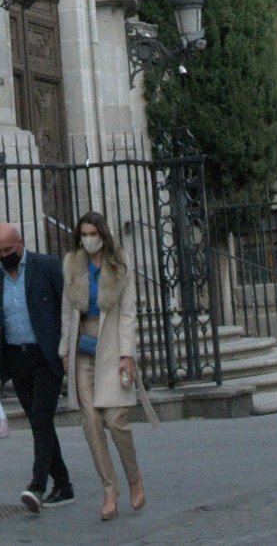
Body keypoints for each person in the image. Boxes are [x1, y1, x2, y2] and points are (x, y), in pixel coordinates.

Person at [59, 211, 157, 522]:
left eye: (92, 233)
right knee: (90, 421)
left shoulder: (120, 263)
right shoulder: (72, 264)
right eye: (83, 233)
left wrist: (127, 354)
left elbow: (128, 313)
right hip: (82, 352)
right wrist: (64, 350)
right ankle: (109, 489)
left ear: (103, 234)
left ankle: (133, 478)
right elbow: (66, 312)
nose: (88, 238)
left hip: (112, 349)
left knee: (116, 420)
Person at [0, 222, 73, 514]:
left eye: (8, 249)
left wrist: (67, 347)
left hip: (46, 356)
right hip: (15, 358)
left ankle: (37, 486)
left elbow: (66, 309)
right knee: (38, 420)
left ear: (20, 243)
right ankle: (64, 484)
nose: (3, 254)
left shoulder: (46, 267)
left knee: (41, 419)